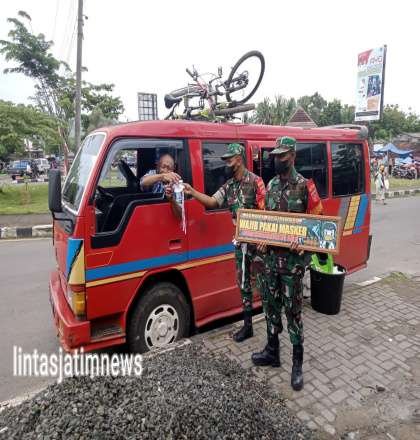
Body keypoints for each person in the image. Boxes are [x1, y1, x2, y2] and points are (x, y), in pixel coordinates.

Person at [251, 136, 322, 392]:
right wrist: (260, 240)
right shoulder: (270, 186)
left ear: (292, 156)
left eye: (282, 156)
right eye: (275, 156)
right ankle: (272, 352)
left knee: (293, 313)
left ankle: (297, 364)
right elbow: (264, 221)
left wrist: (305, 243)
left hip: (292, 265)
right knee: (270, 308)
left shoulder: (305, 186)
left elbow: (319, 227)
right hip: (270, 263)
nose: (277, 160)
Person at [183, 143, 266, 342]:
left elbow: (266, 211)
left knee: (264, 284)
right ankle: (248, 326)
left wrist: (263, 239)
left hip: (259, 245)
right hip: (241, 244)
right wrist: (193, 192)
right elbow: (213, 201)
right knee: (243, 285)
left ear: (239, 158)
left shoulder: (256, 182)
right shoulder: (229, 186)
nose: (227, 162)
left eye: (229, 159)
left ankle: (272, 327)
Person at [140, 153, 182, 219]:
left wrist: (171, 199)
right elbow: (143, 182)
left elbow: (180, 216)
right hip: (148, 213)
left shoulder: (177, 183)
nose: (165, 170)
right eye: (163, 167)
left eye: (169, 168)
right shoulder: (153, 173)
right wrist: (162, 177)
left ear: (173, 169)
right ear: (158, 166)